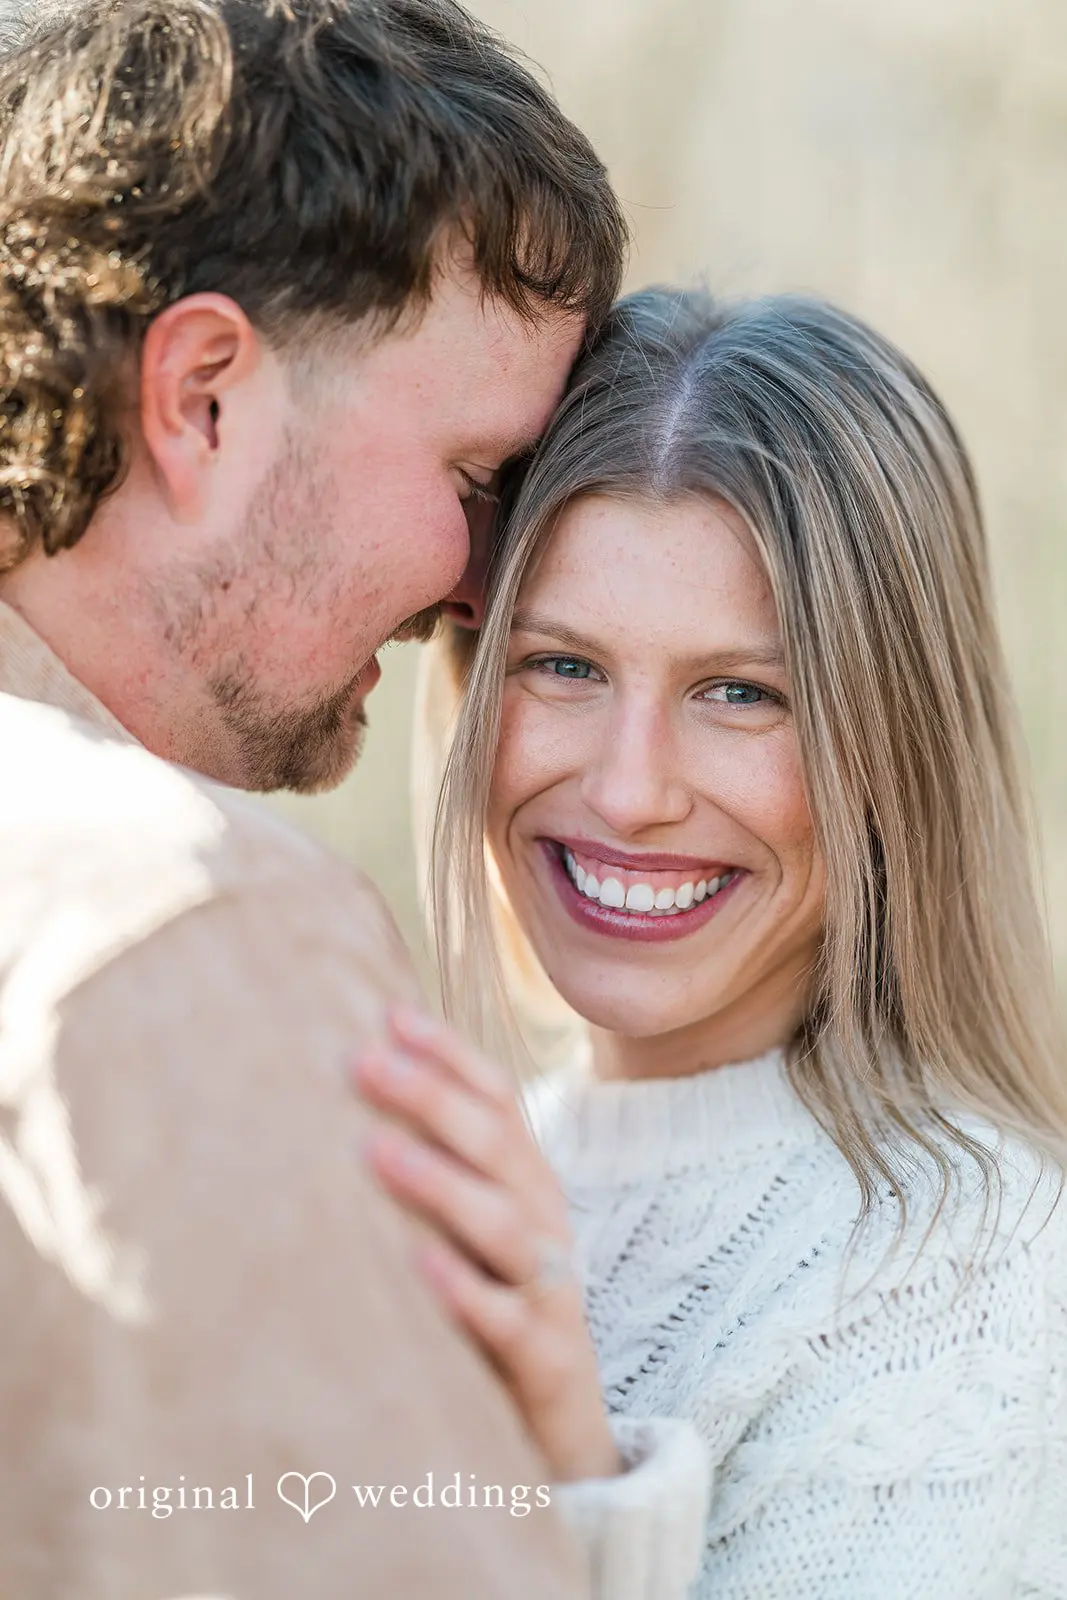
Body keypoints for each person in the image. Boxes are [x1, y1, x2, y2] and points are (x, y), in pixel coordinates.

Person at [0, 1, 631, 1595]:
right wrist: (578, 1495)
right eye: (477, 481)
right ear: (204, 394)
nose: (485, 593)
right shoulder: (185, 923)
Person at [361, 288, 1067, 1598]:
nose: (630, 791)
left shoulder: (966, 1269)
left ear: (892, 752)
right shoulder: (455, 1166)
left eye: (740, 693)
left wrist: (576, 1477)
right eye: (561, 667)